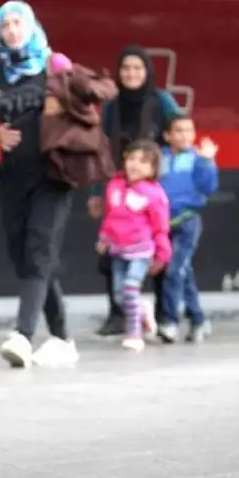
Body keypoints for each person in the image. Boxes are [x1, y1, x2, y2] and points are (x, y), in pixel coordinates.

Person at [0, 0, 79, 369]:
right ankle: (64, 338)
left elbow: (84, 110)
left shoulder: (57, 65)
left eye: (18, 23)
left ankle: (23, 334)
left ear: (32, 26)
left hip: (52, 175)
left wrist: (61, 112)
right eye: (5, 26)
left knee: (39, 249)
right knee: (27, 254)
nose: (12, 31)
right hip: (13, 175)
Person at [88, 45, 182, 337]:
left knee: (159, 254)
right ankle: (119, 315)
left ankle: (166, 317)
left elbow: (179, 132)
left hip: (155, 191)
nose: (131, 73)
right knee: (114, 251)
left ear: (147, 72)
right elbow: (101, 147)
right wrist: (96, 191)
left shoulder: (161, 101)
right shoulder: (113, 105)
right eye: (126, 68)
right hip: (118, 187)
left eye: (137, 68)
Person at [96, 139, 171, 351]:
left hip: (141, 251)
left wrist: (162, 253)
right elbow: (109, 217)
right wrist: (104, 238)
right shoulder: (114, 186)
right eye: (132, 159)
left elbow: (161, 226)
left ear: (154, 169)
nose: (135, 165)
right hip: (118, 250)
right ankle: (143, 310)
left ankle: (134, 333)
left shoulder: (154, 194)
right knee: (120, 296)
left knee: (130, 286)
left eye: (144, 161)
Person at [158, 115, 218, 343]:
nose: (184, 135)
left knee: (174, 272)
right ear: (167, 136)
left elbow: (209, 187)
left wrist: (207, 161)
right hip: (163, 224)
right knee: (183, 273)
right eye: (178, 131)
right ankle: (199, 320)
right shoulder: (160, 157)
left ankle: (170, 322)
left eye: (189, 130)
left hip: (187, 222)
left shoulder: (198, 158)